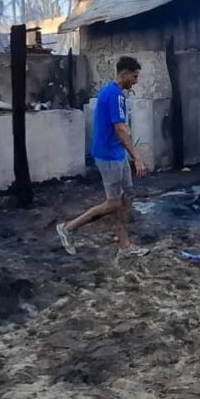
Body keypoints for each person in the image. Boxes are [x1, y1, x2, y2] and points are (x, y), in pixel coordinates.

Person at [56, 56, 149, 257]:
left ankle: (124, 245)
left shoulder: (115, 93)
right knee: (114, 203)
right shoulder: (114, 95)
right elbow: (121, 129)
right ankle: (68, 228)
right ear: (125, 74)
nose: (136, 81)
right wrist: (137, 157)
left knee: (128, 197)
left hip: (117, 153)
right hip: (109, 156)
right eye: (134, 76)